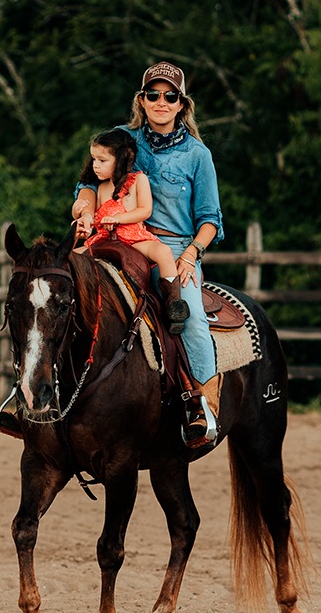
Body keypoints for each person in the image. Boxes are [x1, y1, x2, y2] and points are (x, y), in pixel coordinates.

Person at [71, 61, 223, 448]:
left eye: (169, 96)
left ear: (181, 105)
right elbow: (87, 183)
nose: (161, 101)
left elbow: (210, 220)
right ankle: (36, 397)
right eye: (152, 94)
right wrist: (86, 210)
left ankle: (203, 406)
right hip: (112, 235)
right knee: (59, 295)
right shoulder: (121, 138)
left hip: (170, 247)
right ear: (142, 100)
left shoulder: (196, 155)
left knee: (188, 318)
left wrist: (191, 254)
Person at [73, 128, 189, 336]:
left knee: (163, 253)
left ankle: (174, 303)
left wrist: (117, 218)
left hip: (133, 236)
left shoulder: (138, 180)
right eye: (93, 159)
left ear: (120, 159)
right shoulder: (100, 187)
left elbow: (144, 210)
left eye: (102, 160)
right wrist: (82, 213)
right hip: (106, 239)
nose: (95, 165)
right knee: (71, 258)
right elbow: (89, 215)